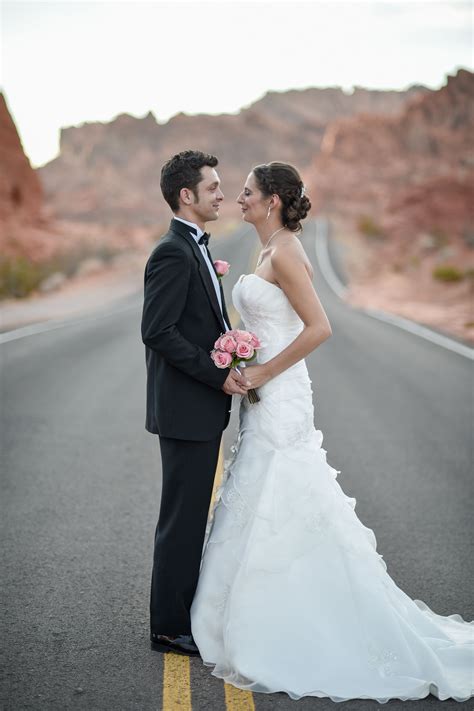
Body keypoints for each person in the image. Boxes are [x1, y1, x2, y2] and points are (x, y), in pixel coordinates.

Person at [190, 161, 473, 702]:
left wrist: (265, 371)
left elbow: (320, 326)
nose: (239, 200)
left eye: (247, 193)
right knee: (260, 495)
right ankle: (254, 611)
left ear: (272, 201)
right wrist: (240, 351)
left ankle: (296, 625)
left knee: (284, 496)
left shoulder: (290, 252)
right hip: (263, 393)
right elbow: (269, 323)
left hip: (282, 394)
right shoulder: (267, 250)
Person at [141, 150, 250, 656]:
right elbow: (157, 331)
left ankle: (179, 616)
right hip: (186, 408)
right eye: (213, 187)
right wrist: (216, 373)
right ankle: (167, 626)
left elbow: (202, 323)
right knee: (182, 519)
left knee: (187, 517)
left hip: (197, 408)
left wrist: (232, 349)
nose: (221, 194)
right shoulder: (172, 251)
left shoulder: (197, 248)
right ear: (187, 195)